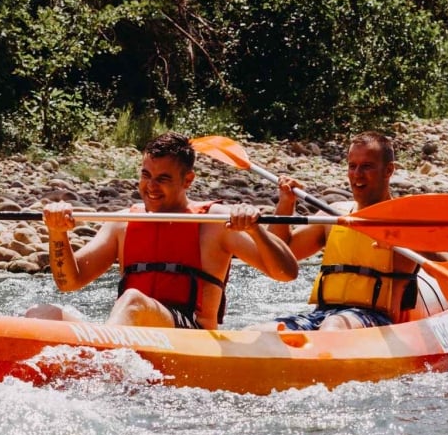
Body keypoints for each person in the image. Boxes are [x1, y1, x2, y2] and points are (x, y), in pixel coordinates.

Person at [25, 132, 298, 330]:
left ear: (187, 180)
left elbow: (286, 273)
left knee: (133, 301)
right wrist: (57, 233)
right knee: (42, 312)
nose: (151, 186)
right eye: (146, 175)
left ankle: (97, 368)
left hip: (191, 334)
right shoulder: (122, 222)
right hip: (129, 330)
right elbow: (68, 282)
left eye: (163, 179)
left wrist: (255, 231)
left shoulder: (215, 224)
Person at [267, 131, 447, 330]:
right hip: (321, 315)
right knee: (263, 331)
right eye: (352, 166)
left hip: (377, 321)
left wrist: (403, 239)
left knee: (333, 326)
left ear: (388, 171)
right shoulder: (332, 215)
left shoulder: (407, 221)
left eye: (367, 166)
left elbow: (446, 269)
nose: (357, 174)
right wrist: (285, 204)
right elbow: (279, 260)